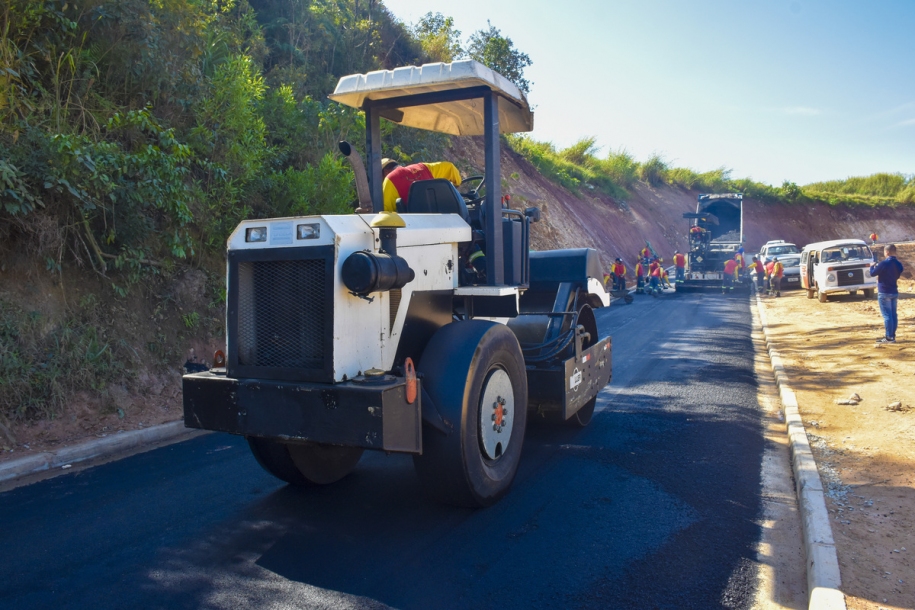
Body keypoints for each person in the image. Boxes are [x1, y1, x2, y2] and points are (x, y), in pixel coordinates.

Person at [381, 159, 462, 212]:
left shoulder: (389, 181)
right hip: (441, 220)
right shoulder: (424, 167)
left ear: (385, 171)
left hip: (414, 228)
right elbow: (450, 167)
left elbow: (387, 213)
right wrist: (456, 186)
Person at [871, 244, 904, 344]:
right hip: (894, 291)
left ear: (887, 252)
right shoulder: (898, 264)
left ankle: (889, 337)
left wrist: (872, 266)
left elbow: (873, 273)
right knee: (893, 315)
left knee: (887, 316)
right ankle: (892, 336)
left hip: (884, 292)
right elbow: (899, 273)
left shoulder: (884, 263)